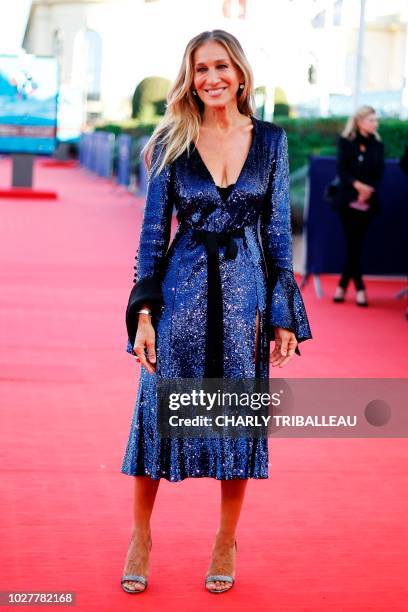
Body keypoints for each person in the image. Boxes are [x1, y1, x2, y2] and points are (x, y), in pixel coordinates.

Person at [120, 29, 312, 595]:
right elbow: (152, 238)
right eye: (201, 69)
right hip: (180, 297)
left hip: (245, 301)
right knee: (159, 416)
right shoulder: (171, 142)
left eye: (221, 67)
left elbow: (279, 235)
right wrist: (145, 317)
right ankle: (140, 534)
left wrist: (282, 313)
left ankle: (226, 538)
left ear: (241, 73)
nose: (212, 78)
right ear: (189, 77)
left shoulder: (272, 142)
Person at [332, 106, 385, 306]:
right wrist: (357, 186)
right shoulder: (346, 142)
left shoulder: (378, 145)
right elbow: (342, 169)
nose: (375, 124)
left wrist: (366, 192)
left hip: (368, 202)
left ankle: (342, 286)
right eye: (371, 120)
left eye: (375, 120)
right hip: (346, 201)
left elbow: (379, 174)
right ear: (360, 122)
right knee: (353, 244)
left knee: (356, 245)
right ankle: (360, 288)